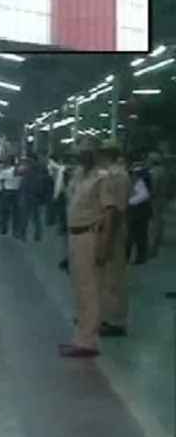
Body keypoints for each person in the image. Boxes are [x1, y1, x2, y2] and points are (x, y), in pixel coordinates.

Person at [60, 140, 119, 358]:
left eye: (86, 151)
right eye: (79, 151)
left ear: (95, 154)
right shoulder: (78, 176)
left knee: (90, 289)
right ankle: (81, 336)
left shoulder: (102, 178)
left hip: (90, 235)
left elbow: (110, 213)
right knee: (80, 289)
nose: (80, 155)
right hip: (75, 235)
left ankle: (88, 341)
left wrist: (104, 245)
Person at [98, 141, 129, 336]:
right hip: (109, 228)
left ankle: (116, 321)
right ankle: (106, 316)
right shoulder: (111, 174)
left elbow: (116, 209)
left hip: (114, 229)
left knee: (115, 276)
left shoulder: (118, 176)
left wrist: (108, 237)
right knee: (106, 275)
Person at [125, 152, 155, 265]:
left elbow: (144, 194)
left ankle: (135, 256)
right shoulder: (140, 177)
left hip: (137, 210)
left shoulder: (137, 180)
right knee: (138, 234)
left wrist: (129, 202)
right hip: (139, 210)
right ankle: (138, 256)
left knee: (134, 234)